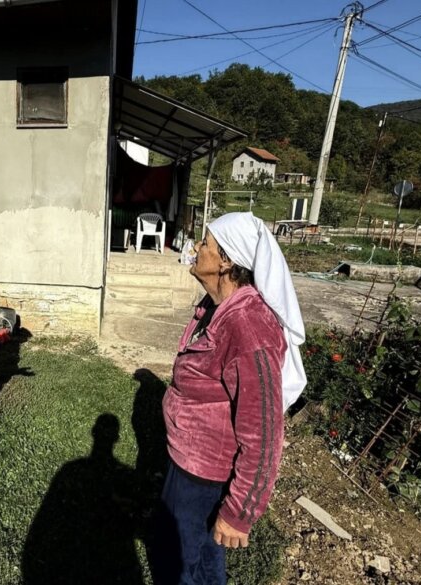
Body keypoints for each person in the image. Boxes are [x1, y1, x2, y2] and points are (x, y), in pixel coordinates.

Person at [152, 212, 307, 584]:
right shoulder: (216, 306)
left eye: (204, 243)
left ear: (226, 260)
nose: (196, 249)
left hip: (204, 474)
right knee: (202, 561)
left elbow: (264, 431)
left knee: (175, 564)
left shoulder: (247, 327)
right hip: (188, 463)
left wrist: (240, 511)